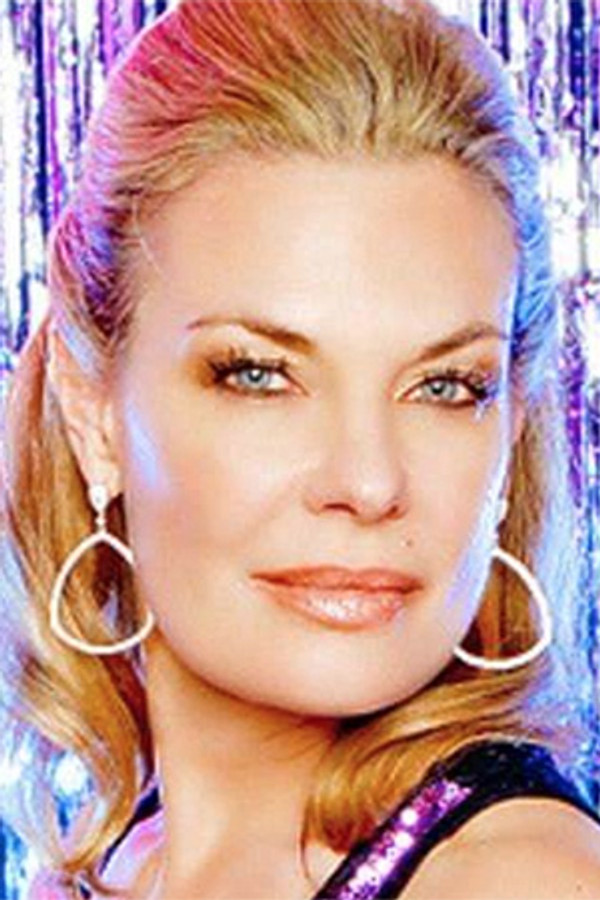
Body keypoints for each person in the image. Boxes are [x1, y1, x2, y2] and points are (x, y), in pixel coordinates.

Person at [1, 0, 600, 897]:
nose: (369, 481)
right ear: (93, 413)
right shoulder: (126, 864)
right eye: (260, 375)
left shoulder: (520, 880)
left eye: (445, 386)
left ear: (510, 429)